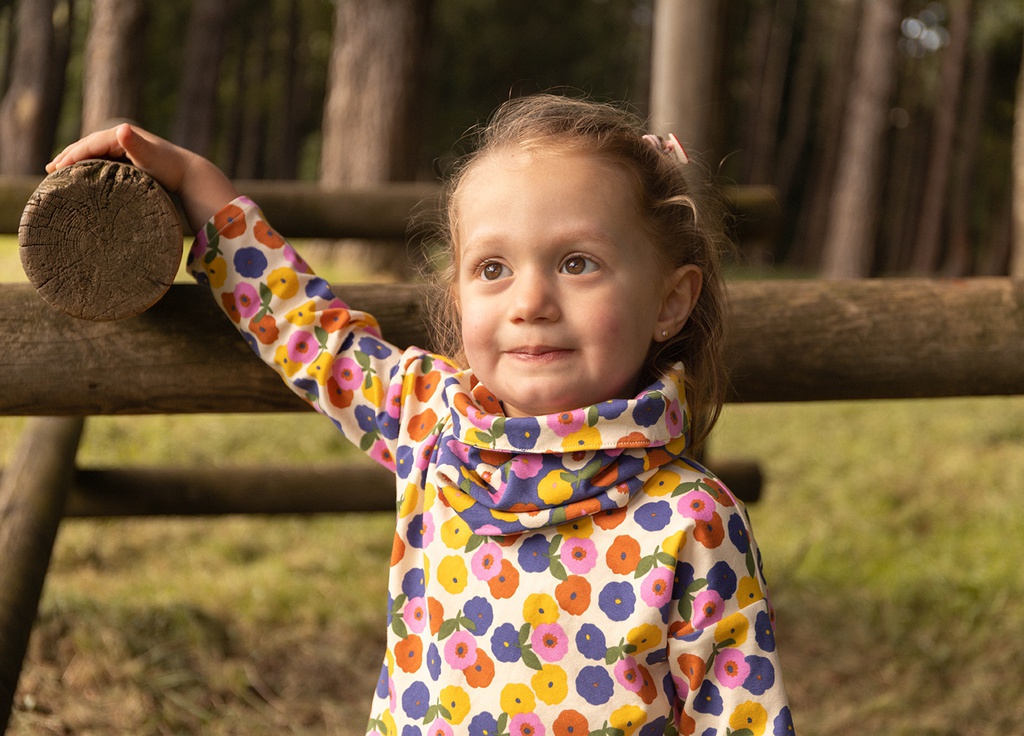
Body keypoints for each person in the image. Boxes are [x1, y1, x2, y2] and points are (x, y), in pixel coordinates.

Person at [49, 94, 794, 736]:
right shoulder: (432, 426)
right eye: (493, 268)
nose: (530, 302)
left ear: (670, 299)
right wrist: (197, 183)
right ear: (459, 296)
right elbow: (311, 335)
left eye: (577, 263)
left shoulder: (692, 521)